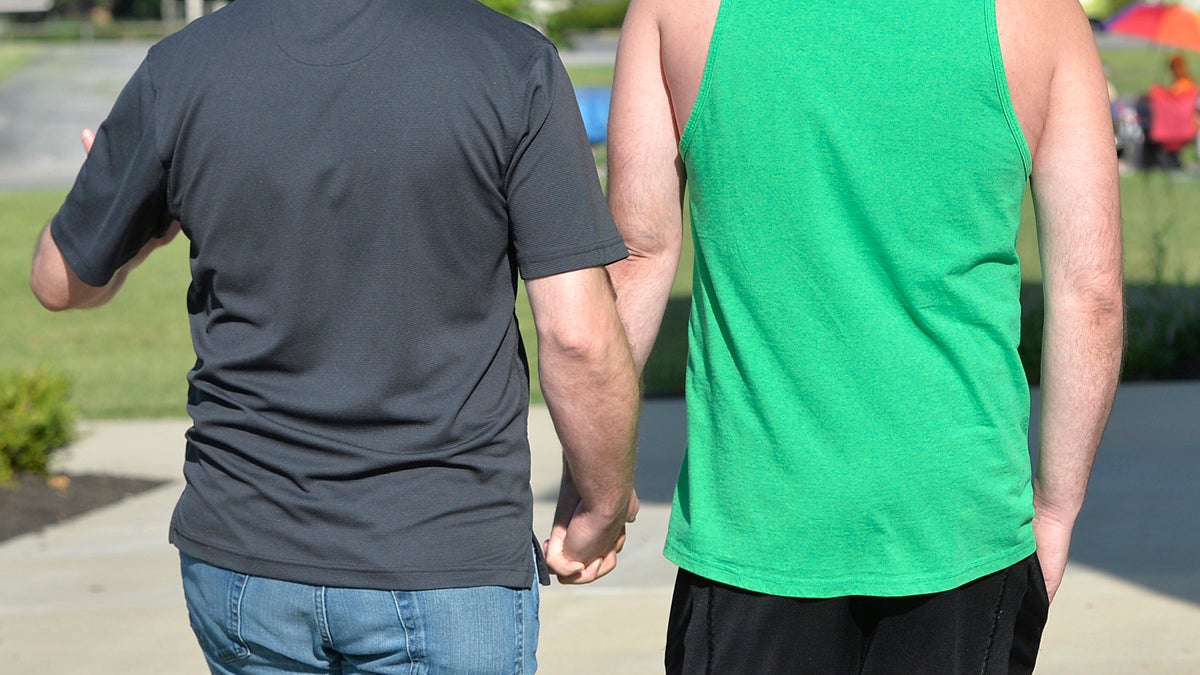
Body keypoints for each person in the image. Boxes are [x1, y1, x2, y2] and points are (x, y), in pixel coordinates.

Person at [29, 0, 640, 672]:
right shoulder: (510, 63)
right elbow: (578, 335)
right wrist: (603, 503)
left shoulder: (182, 66)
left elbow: (61, 280)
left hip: (243, 561)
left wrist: (143, 229)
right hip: (440, 555)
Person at [606, 0, 1124, 672]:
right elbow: (1092, 295)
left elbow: (638, 256)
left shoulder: (676, 9)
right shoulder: (1041, 16)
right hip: (959, 518)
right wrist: (1055, 510)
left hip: (760, 526)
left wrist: (598, 471)